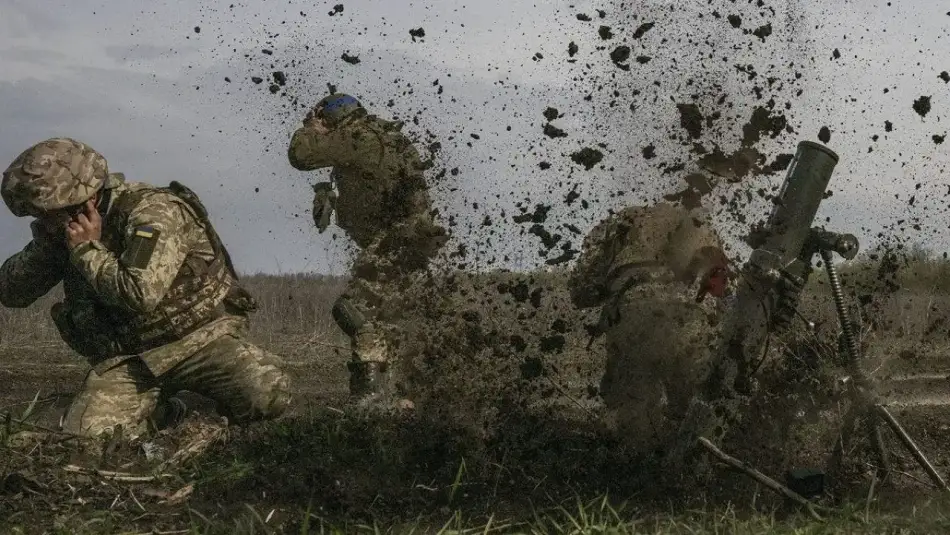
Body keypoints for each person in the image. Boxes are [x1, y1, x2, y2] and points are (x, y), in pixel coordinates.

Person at [0, 137, 292, 444]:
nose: (45, 220)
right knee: (89, 441)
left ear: (86, 199)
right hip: (130, 361)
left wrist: (87, 250)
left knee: (268, 393)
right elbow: (12, 292)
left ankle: (197, 408)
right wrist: (50, 246)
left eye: (49, 212)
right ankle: (169, 414)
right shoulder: (65, 231)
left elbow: (139, 295)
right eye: (40, 215)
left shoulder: (153, 211)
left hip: (200, 342)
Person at [287, 92, 448, 405]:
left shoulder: (358, 137)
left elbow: (301, 155)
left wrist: (309, 128)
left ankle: (370, 396)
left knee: (355, 310)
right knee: (391, 321)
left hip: (397, 242)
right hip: (410, 243)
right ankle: (412, 395)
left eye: (323, 119)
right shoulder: (386, 137)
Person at [569, 202, 734, 455]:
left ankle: (639, 477)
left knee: (635, 415)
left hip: (634, 312)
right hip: (691, 317)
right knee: (699, 407)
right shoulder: (701, 225)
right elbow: (726, 294)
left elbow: (582, 290)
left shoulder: (621, 222)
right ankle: (699, 470)